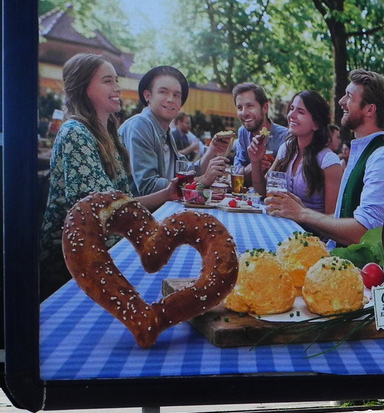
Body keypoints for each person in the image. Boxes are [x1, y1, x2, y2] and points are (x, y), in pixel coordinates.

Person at [41, 54, 182, 298]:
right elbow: (101, 212)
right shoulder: (75, 132)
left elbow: (120, 203)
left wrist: (167, 194)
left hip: (108, 248)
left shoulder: (109, 135)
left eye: (116, 80)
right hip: (72, 263)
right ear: (84, 88)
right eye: (108, 81)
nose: (118, 87)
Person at [264, 69, 384, 245]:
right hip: (336, 256)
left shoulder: (383, 159)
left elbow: (363, 233)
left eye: (349, 97)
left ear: (370, 109)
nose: (341, 102)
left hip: (354, 269)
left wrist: (302, 214)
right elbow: (339, 218)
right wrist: (301, 209)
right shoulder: (363, 152)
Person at [119, 66, 228, 195]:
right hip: (137, 212)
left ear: (180, 105)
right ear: (147, 95)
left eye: (176, 95)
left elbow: (187, 171)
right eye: (163, 92)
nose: (171, 99)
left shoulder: (165, 132)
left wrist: (212, 150)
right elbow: (148, 187)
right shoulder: (140, 125)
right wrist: (202, 181)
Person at [249, 90, 342, 215]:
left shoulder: (329, 162)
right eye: (292, 108)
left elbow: (333, 218)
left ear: (316, 124)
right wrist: (255, 161)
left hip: (310, 233)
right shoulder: (286, 149)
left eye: (301, 112)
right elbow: (262, 191)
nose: (291, 114)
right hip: (283, 226)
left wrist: (301, 212)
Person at [230, 82, 289, 183]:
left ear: (265, 108)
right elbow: (235, 176)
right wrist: (253, 166)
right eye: (240, 108)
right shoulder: (243, 133)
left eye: (250, 106)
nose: (244, 113)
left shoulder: (285, 136)